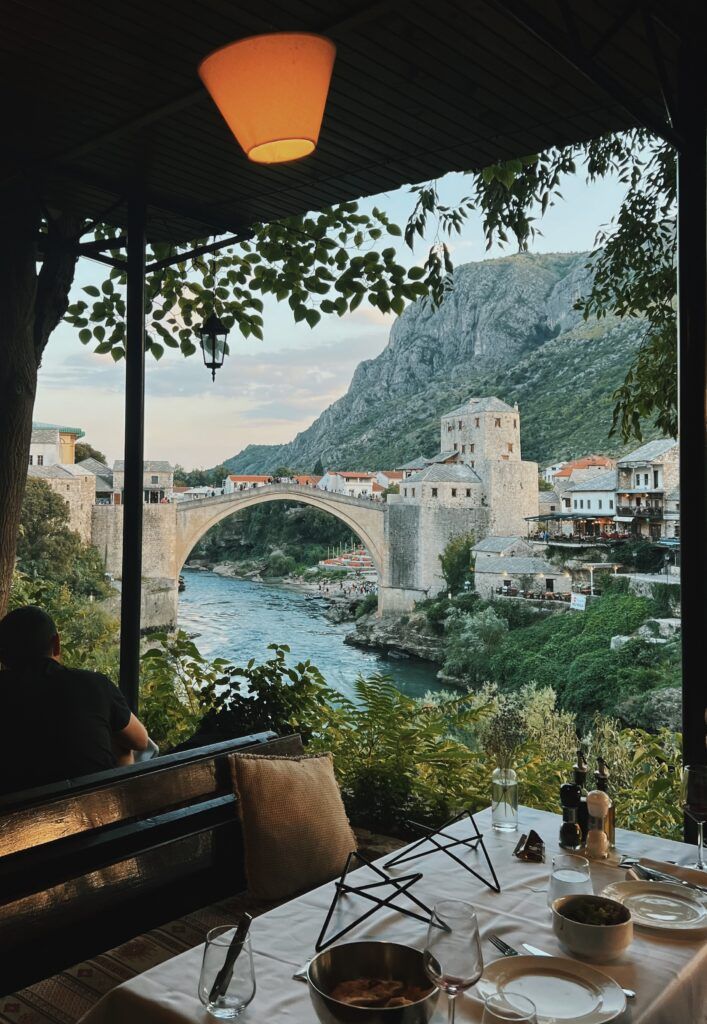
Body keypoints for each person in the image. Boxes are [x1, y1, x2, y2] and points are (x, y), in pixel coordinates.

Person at [0, 606, 149, 795]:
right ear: (56, 643)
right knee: (123, 744)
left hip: (14, 816)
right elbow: (141, 741)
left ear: (3, 655)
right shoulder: (93, 683)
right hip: (95, 814)